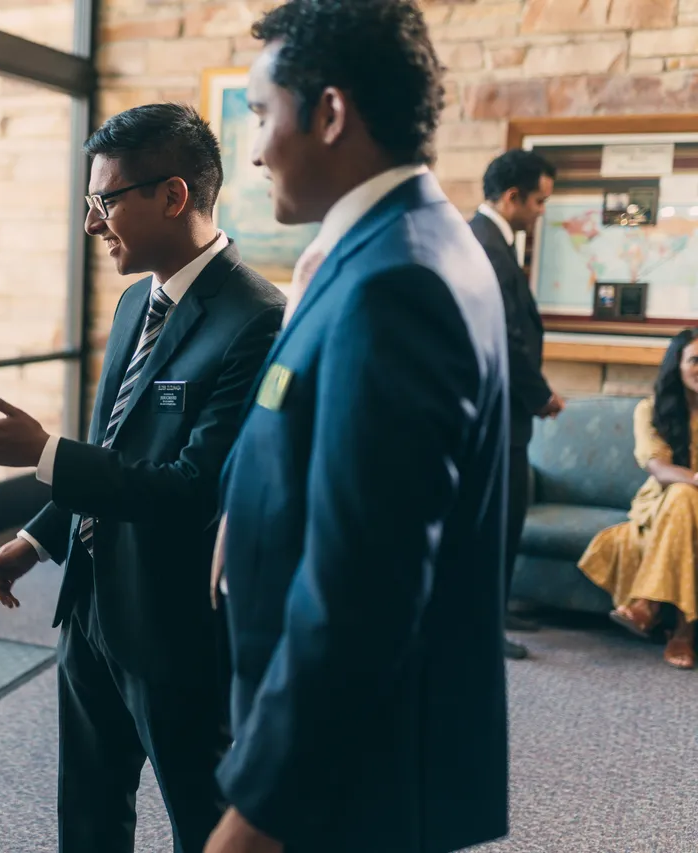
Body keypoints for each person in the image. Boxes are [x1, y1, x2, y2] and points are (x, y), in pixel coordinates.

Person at [0, 103, 284, 853]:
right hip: (90, 608)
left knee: (207, 823)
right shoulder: (135, 301)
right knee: (89, 817)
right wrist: (40, 533)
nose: (93, 222)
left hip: (176, 624)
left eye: (105, 200)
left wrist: (44, 454)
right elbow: (117, 443)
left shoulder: (257, 319)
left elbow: (195, 487)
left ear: (173, 195)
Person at [206, 2, 509, 852]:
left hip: (349, 784)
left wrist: (256, 813)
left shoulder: (396, 284)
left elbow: (361, 591)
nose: (257, 148)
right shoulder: (402, 242)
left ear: (331, 113)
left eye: (263, 115)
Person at [471, 149, 564, 661]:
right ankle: (486, 625)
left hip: (504, 409)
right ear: (512, 199)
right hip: (499, 410)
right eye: (540, 202)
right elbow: (506, 336)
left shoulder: (487, 240)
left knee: (505, 518)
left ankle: (499, 607)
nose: (541, 212)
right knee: (496, 522)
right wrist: (540, 394)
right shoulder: (486, 246)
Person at [579, 329, 698, 670]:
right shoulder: (651, 410)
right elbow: (659, 468)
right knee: (681, 495)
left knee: (683, 497)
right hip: (661, 505)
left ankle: (647, 603)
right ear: (677, 364)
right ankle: (683, 634)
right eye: (695, 360)